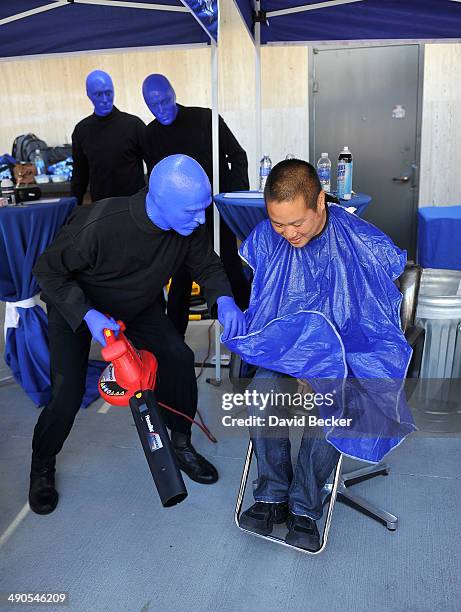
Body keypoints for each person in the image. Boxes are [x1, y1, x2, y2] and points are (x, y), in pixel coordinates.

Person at [29, 154, 246, 516]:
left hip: (137, 305)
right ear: (158, 200)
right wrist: (88, 314)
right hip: (80, 306)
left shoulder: (187, 226)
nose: (201, 219)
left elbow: (207, 265)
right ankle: (42, 465)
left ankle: (180, 443)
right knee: (66, 396)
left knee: (177, 358)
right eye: (193, 211)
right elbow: (47, 272)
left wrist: (223, 300)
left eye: (203, 209)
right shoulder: (99, 223)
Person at [226, 159, 413, 551]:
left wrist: (328, 363)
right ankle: (273, 494)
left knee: (335, 401)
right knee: (261, 399)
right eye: (278, 223)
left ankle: (305, 504)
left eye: (297, 222)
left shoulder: (359, 240)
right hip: (284, 355)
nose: (288, 233)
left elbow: (373, 322)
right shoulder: (270, 238)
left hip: (349, 358)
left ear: (320, 202)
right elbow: (265, 309)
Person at [142, 73, 251, 337]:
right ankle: (174, 344)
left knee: (230, 269)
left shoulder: (205, 119)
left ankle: (250, 331)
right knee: (180, 278)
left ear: (174, 94)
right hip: (179, 220)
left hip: (214, 212)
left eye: (165, 101)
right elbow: (154, 180)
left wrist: (230, 200)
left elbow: (238, 156)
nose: (161, 109)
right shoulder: (149, 135)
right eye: (153, 105)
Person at [71, 70, 146, 205]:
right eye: (99, 94)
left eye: (108, 93)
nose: (105, 99)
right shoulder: (81, 130)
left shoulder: (134, 125)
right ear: (89, 95)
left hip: (135, 205)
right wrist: (74, 206)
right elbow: (79, 174)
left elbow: (153, 163)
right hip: (102, 206)